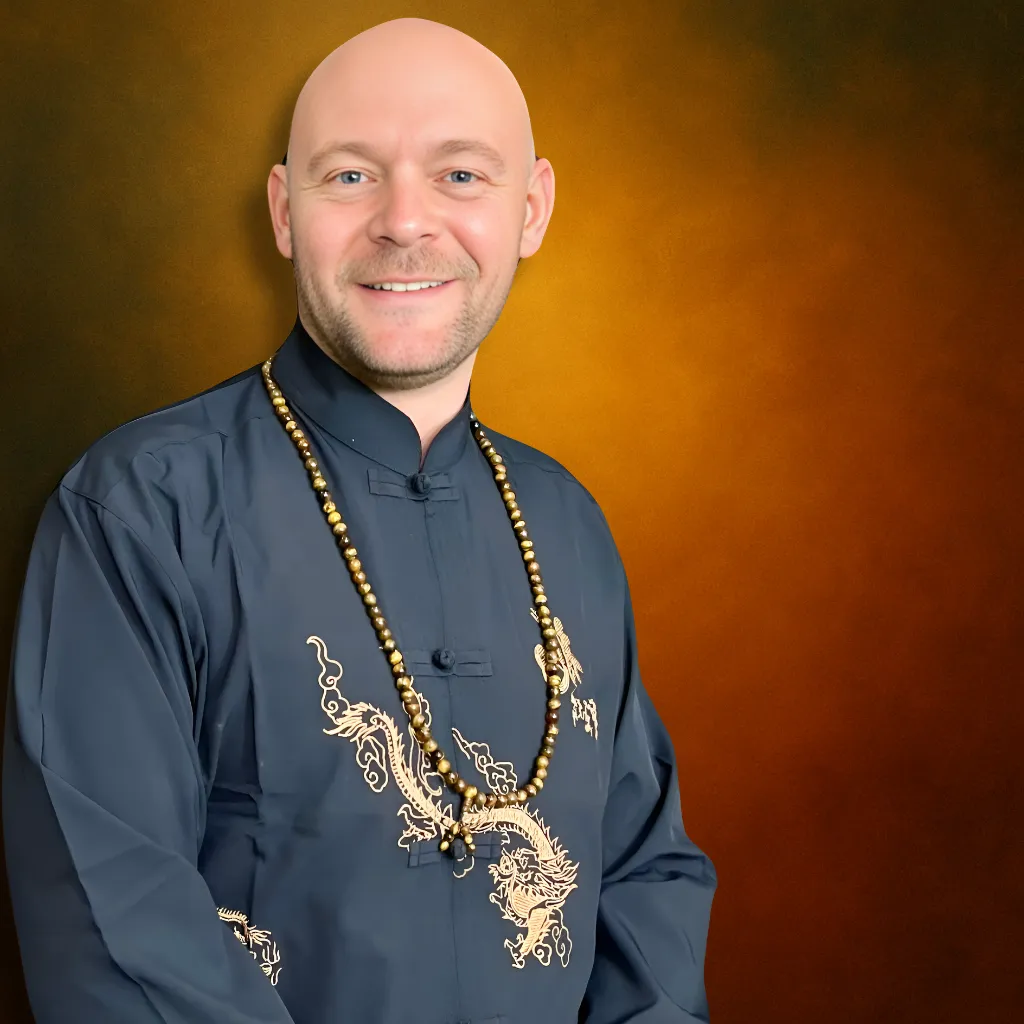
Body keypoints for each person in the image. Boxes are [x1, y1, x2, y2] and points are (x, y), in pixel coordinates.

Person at [3, 17, 715, 1024]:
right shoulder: (140, 507)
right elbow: (111, 916)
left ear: (532, 208)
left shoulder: (567, 522)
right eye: (349, 177)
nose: (404, 221)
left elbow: (645, 873)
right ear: (284, 210)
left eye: (460, 176)